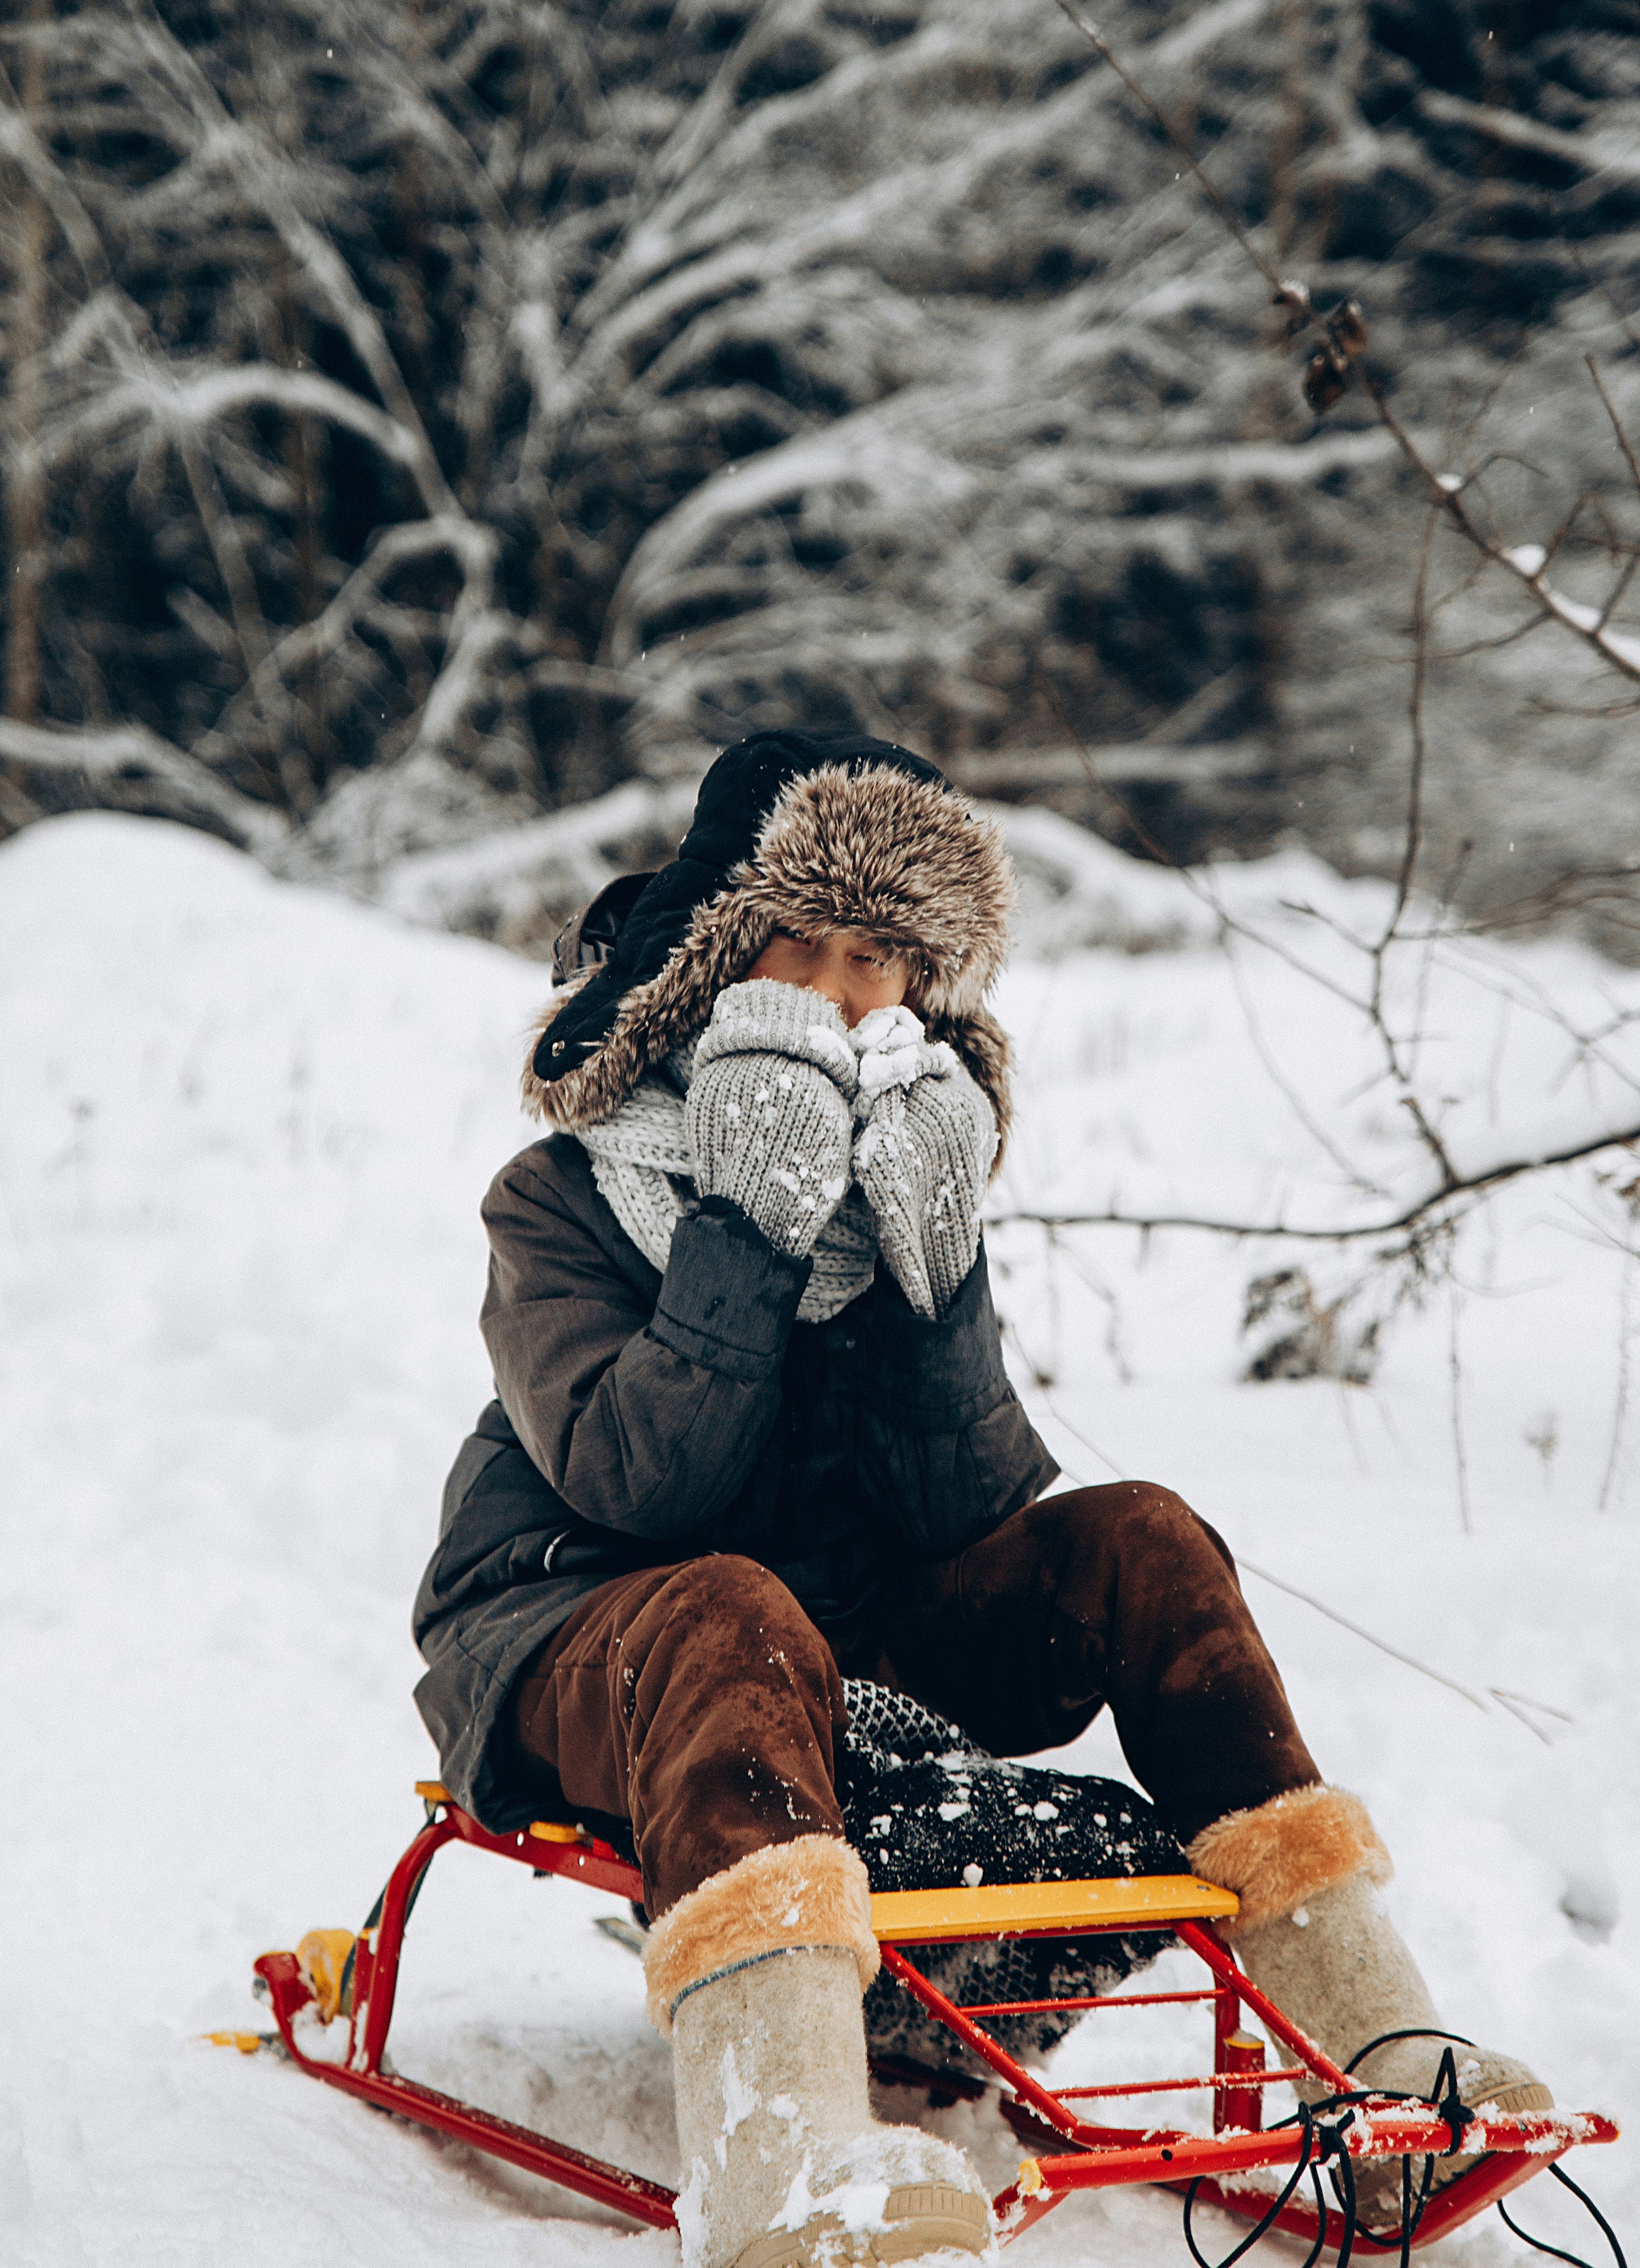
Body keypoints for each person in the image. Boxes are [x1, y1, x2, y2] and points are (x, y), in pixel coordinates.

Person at [413, 731, 1546, 2268]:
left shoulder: (900, 1164)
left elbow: (962, 1506)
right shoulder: (558, 1193)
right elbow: (645, 1487)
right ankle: (786, 2150)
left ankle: (1375, 2058)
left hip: (840, 1630)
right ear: (712, 955)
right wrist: (746, 1218)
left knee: (1140, 1536)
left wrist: (930, 1258)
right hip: (577, 1634)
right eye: (799, 944)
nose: (840, 993)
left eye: (882, 956)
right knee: (728, 1603)